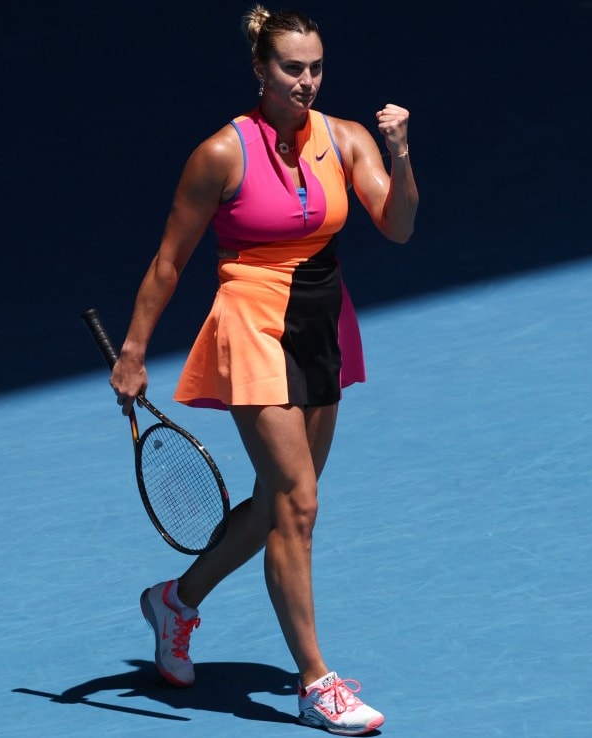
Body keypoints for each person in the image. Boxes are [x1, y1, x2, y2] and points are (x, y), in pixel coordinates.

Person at [108, 5, 417, 736]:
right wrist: (132, 351)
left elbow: (398, 227)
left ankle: (174, 601)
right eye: (290, 69)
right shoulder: (220, 154)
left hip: (323, 320)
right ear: (260, 71)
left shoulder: (346, 138)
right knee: (298, 505)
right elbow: (168, 261)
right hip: (251, 321)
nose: (305, 82)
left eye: (315, 68)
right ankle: (316, 682)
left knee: (281, 504)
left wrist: (400, 154)